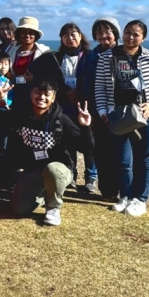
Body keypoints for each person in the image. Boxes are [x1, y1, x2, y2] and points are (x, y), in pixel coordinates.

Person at [0, 78, 93, 227]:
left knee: (52, 169)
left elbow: (87, 148)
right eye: (38, 92)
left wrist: (85, 127)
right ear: (31, 94)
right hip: (33, 171)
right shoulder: (22, 115)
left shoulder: (61, 120)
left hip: (59, 169)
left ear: (53, 97)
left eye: (47, 94)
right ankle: (44, 194)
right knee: (19, 209)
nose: (42, 97)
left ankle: (53, 207)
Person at [95, 20, 149, 217]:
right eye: (127, 32)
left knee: (144, 158)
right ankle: (126, 196)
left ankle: (140, 199)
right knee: (122, 159)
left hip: (147, 115)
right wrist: (103, 111)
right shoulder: (107, 57)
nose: (130, 37)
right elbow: (100, 87)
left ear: (143, 38)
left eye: (136, 34)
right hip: (119, 115)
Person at [82, 16, 121, 201]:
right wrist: (90, 111)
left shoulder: (123, 53)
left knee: (121, 152)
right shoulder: (91, 56)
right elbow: (86, 84)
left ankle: (125, 190)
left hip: (121, 110)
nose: (103, 35)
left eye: (107, 31)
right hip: (97, 110)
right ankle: (108, 191)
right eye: (99, 32)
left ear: (116, 33)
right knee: (102, 151)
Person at [54, 22, 96, 192]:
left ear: (80, 36)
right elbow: (54, 80)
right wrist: (66, 92)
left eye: (73, 34)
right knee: (68, 139)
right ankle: (71, 174)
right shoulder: (56, 57)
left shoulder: (90, 55)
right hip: (64, 104)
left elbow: (94, 79)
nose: (69, 38)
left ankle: (91, 177)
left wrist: (79, 91)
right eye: (65, 35)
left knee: (89, 140)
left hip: (86, 104)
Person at [8, 16, 55, 111]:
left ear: (35, 36)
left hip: (36, 98)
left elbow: (52, 76)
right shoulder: (12, 52)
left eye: (31, 33)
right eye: (24, 32)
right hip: (15, 96)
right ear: (19, 34)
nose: (27, 35)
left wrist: (34, 79)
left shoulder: (44, 53)